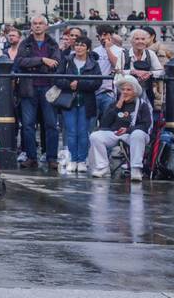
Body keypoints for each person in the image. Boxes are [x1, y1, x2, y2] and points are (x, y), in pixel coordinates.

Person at [15, 14, 61, 170]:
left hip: (48, 88)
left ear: (46, 26)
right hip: (29, 88)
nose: (37, 26)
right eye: (35, 23)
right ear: (31, 26)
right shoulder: (25, 43)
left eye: (41, 23)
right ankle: (31, 157)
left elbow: (56, 63)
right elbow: (20, 62)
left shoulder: (53, 44)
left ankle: (52, 157)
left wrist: (34, 63)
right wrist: (42, 60)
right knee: (27, 125)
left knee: (51, 125)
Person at [89, 75, 153, 181]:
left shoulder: (142, 105)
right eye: (123, 89)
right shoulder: (115, 104)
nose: (125, 92)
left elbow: (145, 125)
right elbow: (104, 124)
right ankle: (103, 167)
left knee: (138, 134)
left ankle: (136, 169)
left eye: (128, 89)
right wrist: (117, 107)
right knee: (95, 136)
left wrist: (128, 130)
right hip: (116, 133)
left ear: (135, 91)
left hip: (133, 134)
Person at [57, 36, 102, 174]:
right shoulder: (66, 61)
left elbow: (97, 82)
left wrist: (79, 84)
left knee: (83, 132)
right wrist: (69, 84)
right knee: (71, 132)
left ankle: (82, 160)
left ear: (88, 48)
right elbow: (57, 79)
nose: (79, 47)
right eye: (77, 45)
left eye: (82, 45)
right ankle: (73, 159)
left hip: (85, 102)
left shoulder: (93, 64)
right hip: (69, 102)